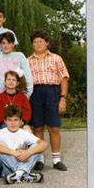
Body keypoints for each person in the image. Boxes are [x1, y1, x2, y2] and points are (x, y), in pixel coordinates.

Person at [27, 29, 70, 171]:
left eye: (41, 41)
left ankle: (56, 160)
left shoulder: (56, 58)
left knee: (54, 127)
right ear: (32, 44)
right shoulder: (27, 61)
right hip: (35, 93)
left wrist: (62, 98)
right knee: (38, 127)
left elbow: (64, 78)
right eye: (35, 42)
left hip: (52, 92)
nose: (38, 44)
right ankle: (39, 159)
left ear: (47, 43)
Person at [0, 105, 47, 184]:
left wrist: (27, 153)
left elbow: (44, 144)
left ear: (20, 121)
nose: (13, 123)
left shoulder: (24, 133)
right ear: (5, 121)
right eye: (10, 120)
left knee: (37, 147)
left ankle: (18, 174)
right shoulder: (0, 133)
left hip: (21, 161)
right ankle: (25, 175)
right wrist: (15, 153)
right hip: (7, 167)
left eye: (16, 120)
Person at [0, 31, 33, 97]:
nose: (6, 45)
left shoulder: (20, 56)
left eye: (9, 43)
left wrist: (28, 93)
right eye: (3, 43)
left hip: (18, 93)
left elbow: (27, 74)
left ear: (13, 44)